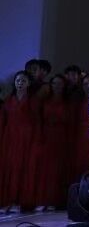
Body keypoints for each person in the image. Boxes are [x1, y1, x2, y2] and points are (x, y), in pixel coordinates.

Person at [1, 71, 42, 213]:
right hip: (10, 137)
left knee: (23, 168)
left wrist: (36, 139)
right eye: (18, 80)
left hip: (27, 137)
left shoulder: (33, 101)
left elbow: (37, 121)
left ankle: (21, 201)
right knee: (9, 168)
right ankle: (8, 201)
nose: (20, 83)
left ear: (28, 83)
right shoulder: (9, 100)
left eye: (23, 81)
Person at [36, 75, 73, 210]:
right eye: (54, 83)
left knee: (58, 168)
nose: (57, 86)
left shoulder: (68, 102)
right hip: (46, 135)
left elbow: (70, 120)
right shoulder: (45, 101)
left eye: (60, 83)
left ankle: (55, 200)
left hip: (61, 136)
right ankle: (43, 199)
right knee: (45, 168)